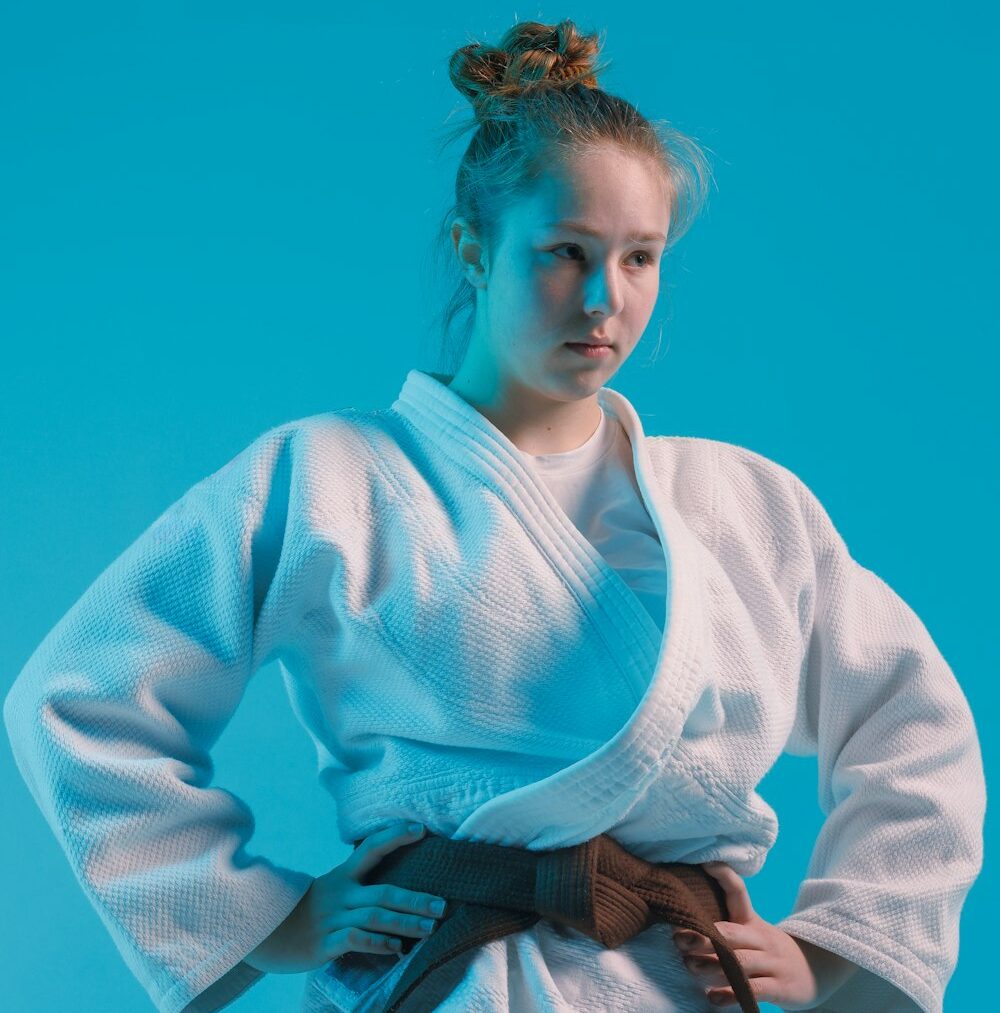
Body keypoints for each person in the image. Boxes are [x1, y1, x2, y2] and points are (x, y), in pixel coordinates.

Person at [3, 17, 984, 1013]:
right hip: (446, 979)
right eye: (565, 251)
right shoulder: (325, 476)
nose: (605, 300)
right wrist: (262, 915)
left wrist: (833, 947)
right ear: (475, 249)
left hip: (675, 984)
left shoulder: (747, 505)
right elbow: (84, 695)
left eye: (640, 257)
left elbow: (915, 726)